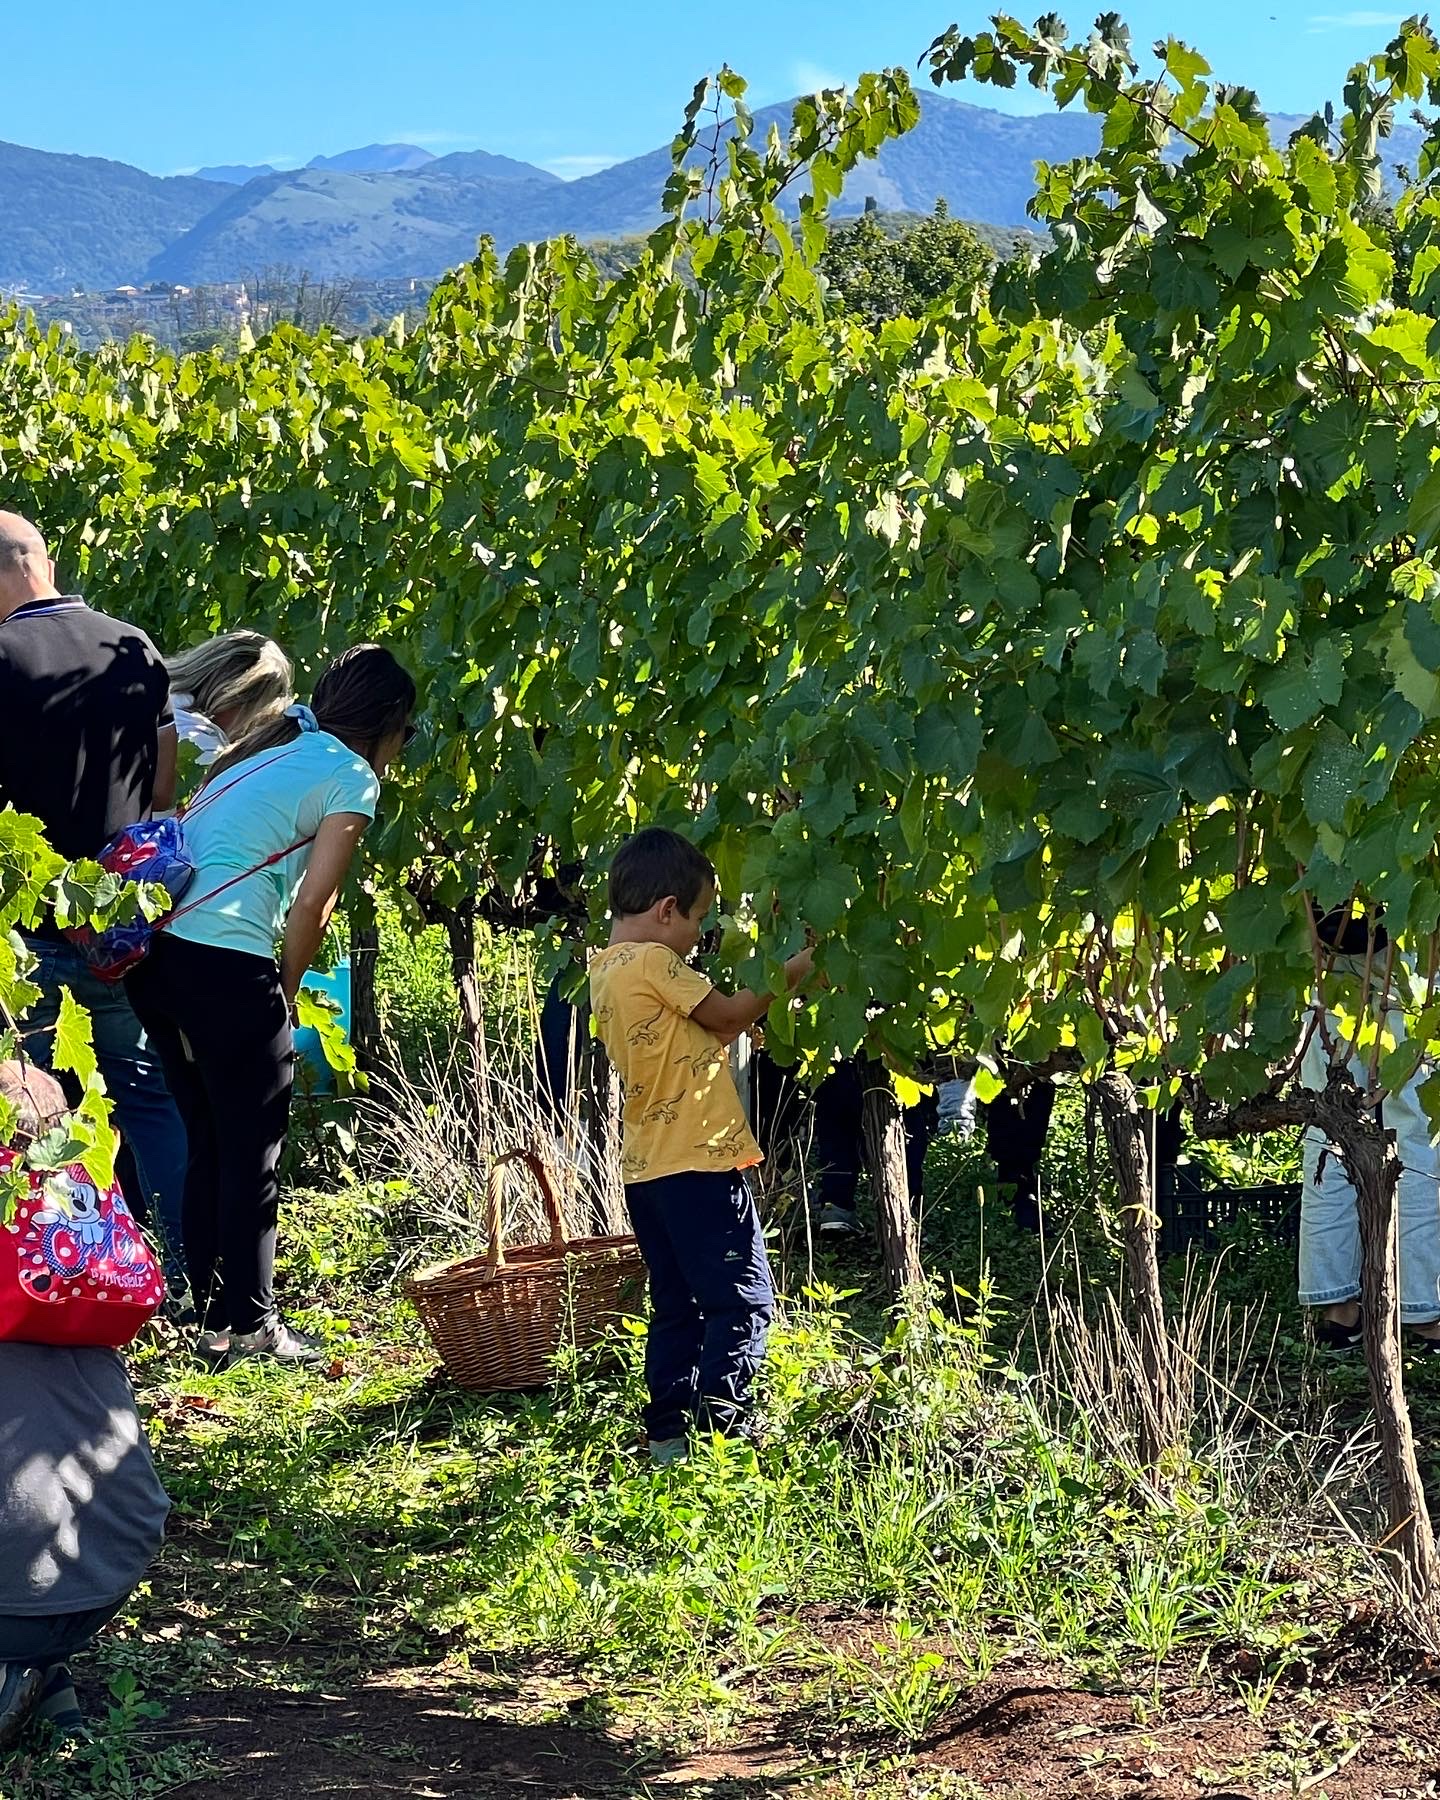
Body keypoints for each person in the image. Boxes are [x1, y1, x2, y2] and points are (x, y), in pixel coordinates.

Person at [126, 645, 417, 1368]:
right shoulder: (349, 775)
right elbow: (313, 905)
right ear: (386, 727)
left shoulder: (269, 744)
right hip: (225, 962)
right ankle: (250, 1326)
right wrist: (280, 997)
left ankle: (206, 1316)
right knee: (252, 1153)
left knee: (209, 1142)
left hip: (158, 956)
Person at [0, 513, 187, 1287]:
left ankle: (69, 1283)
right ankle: (186, 1277)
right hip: (119, 928)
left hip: (30, 933)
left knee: (43, 1114)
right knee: (146, 1100)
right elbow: (166, 782)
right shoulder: (132, 646)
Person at [590, 827, 813, 1465]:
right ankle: (724, 1434)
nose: (698, 935)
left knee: (676, 1302)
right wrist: (792, 971)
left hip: (646, 1168)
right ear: (666, 911)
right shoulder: (658, 963)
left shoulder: (604, 971)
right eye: (697, 918)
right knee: (742, 1299)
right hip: (699, 1159)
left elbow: (681, 1044)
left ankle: (667, 1433)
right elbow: (726, 1018)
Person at [0, 1065, 169, 1750]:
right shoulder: (69, 1268)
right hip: (107, 1573)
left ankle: (15, 1666)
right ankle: (44, 1672)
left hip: (19, 1589)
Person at [1300, 908, 1440, 1350]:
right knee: (1418, 1136)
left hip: (1325, 944)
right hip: (1410, 939)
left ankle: (1336, 1310)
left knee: (1329, 1128)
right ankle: (1423, 1310)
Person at [165, 630, 294, 772]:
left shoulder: (150, 691)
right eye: (261, 718)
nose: (251, 731)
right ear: (238, 697)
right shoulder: (204, 747)